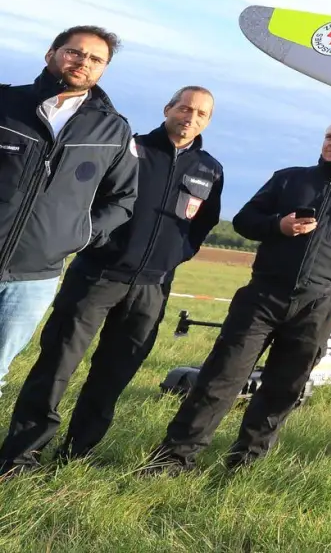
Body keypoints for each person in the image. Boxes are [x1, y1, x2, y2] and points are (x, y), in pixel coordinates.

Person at [142, 118, 331, 473]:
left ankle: (244, 463)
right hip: (263, 295)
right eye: (329, 136)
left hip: (318, 305)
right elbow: (244, 221)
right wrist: (279, 225)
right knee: (220, 378)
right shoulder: (289, 178)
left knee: (282, 389)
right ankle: (175, 458)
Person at [0, 87, 222, 474]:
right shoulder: (128, 148)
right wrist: (95, 240)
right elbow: (89, 199)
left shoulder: (209, 169)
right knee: (56, 367)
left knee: (112, 377)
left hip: (152, 288)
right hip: (97, 275)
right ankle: (22, 455)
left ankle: (77, 454)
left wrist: (175, 256)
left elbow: (201, 225)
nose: (191, 117)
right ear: (167, 107)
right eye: (184, 107)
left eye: (201, 113)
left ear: (207, 121)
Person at [0, 26, 138, 399]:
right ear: (52, 54)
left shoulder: (113, 130)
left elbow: (124, 198)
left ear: (103, 70)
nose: (83, 63)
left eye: (96, 59)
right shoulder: (6, 103)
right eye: (75, 52)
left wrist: (79, 234)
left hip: (33, 277)